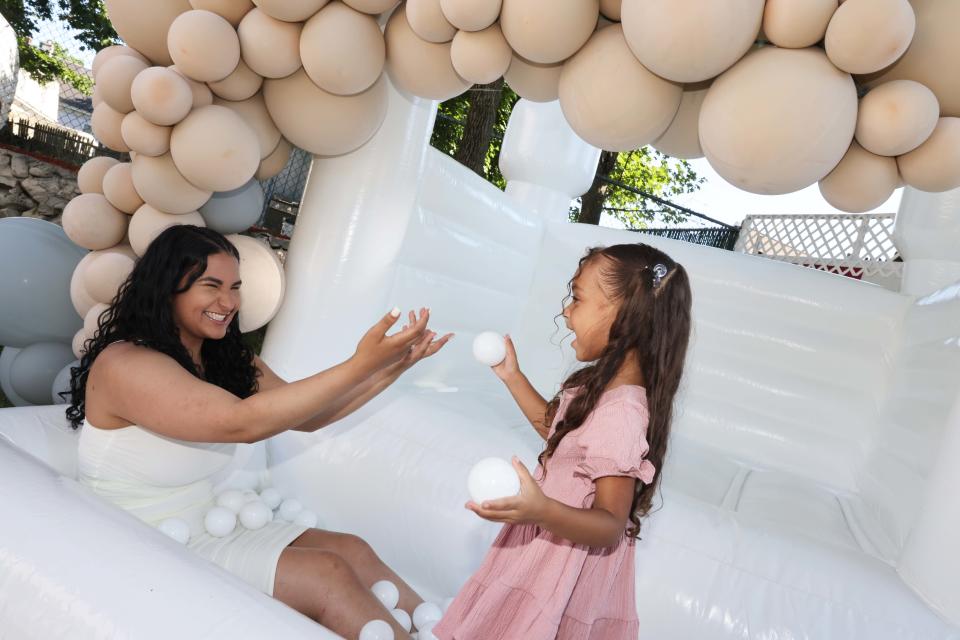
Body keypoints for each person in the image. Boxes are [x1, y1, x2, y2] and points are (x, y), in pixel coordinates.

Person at [68, 225, 451, 639]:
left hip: (211, 517)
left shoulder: (223, 356)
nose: (228, 302)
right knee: (329, 573)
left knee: (351, 549)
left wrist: (391, 367)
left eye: (235, 287)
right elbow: (242, 422)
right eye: (210, 285)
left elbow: (307, 416)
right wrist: (359, 363)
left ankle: (458, 631)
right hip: (145, 537)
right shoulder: (127, 363)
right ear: (167, 288)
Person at [433, 243, 692, 640]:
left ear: (623, 313)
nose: (566, 310)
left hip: (564, 562)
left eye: (577, 297)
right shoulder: (599, 387)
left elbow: (609, 524)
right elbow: (562, 437)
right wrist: (512, 376)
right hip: (548, 544)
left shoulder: (623, 410)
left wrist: (542, 510)